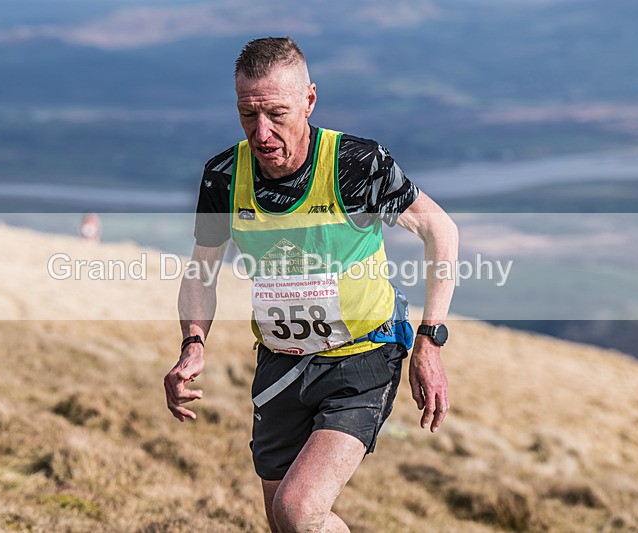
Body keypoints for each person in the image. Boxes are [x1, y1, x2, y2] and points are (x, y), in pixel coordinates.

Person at [164, 37, 458, 532]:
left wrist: (430, 342)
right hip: (280, 365)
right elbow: (201, 272)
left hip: (363, 358)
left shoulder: (357, 165)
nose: (262, 132)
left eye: (277, 114)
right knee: (285, 525)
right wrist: (193, 343)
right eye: (247, 115)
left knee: (298, 510)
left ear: (309, 100)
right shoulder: (223, 175)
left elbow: (440, 230)